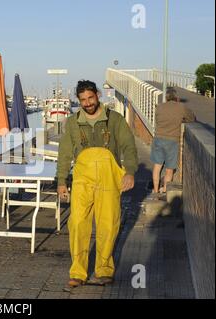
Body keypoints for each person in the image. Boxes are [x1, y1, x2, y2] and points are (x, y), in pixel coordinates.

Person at [57, 80, 139, 288]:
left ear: (98, 95)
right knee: (77, 223)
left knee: (108, 224)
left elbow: (129, 146)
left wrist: (129, 172)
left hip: (109, 178)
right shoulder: (73, 122)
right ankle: (78, 272)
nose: (87, 103)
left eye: (90, 98)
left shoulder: (115, 120)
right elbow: (65, 153)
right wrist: (61, 181)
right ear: (79, 100)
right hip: (82, 179)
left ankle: (104, 270)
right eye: (83, 100)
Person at [150, 88, 195, 194]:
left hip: (158, 139)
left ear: (166, 97)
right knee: (169, 169)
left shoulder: (159, 107)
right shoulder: (181, 107)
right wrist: (181, 119)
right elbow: (191, 118)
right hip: (172, 141)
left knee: (157, 166)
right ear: (177, 98)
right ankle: (165, 189)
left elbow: (157, 120)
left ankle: (156, 190)